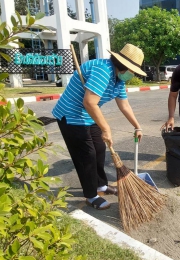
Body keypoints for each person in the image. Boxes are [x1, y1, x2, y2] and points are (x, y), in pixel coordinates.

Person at [52, 44, 146, 210]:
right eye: (132, 70)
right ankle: (91, 195)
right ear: (124, 66)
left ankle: (101, 186)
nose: (132, 74)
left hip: (88, 115)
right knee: (87, 154)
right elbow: (89, 102)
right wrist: (106, 128)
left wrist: (137, 126)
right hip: (71, 115)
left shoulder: (118, 80)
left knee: (100, 149)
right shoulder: (103, 71)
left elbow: (124, 105)